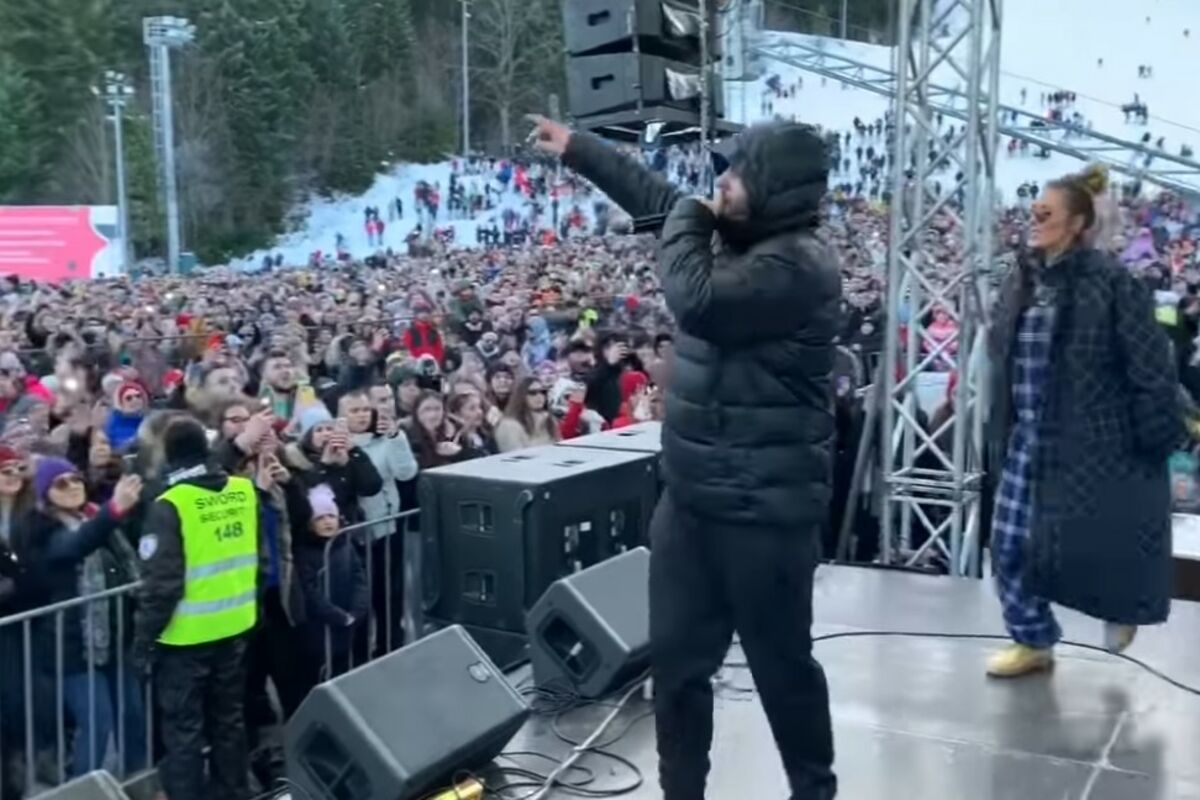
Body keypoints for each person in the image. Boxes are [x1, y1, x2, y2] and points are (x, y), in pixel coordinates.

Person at [530, 114, 840, 799]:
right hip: (692, 502)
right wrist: (582, 150)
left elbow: (695, 300)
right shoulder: (735, 237)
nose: (720, 183)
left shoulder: (797, 265)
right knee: (676, 671)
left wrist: (690, 218)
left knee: (782, 672)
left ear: (774, 189)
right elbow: (660, 202)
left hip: (764, 513)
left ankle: (814, 791)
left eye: (737, 173)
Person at [984, 165, 1181, 678]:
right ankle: (1032, 639)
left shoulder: (1113, 284)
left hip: (1095, 441)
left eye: (1046, 213)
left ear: (1076, 224)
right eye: (1033, 211)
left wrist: (1155, 435)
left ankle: (1124, 606)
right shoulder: (1021, 279)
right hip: (1029, 439)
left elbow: (1150, 366)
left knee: (1102, 541)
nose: (1034, 220)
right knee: (1009, 544)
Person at [132, 418, 264, 800]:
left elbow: (162, 586)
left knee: (184, 732)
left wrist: (143, 643)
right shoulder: (243, 490)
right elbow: (260, 558)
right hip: (235, 625)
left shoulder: (171, 504)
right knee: (229, 722)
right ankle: (234, 793)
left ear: (168, 454)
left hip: (185, 637)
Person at [495, 376, 560, 453]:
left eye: (543, 392)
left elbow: (559, 447)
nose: (539, 396)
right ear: (521, 395)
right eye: (533, 393)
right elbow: (516, 456)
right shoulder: (508, 425)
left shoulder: (549, 419)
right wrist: (538, 428)